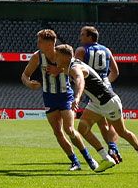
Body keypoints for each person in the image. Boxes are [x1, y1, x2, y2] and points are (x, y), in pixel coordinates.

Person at [55, 43, 138, 172]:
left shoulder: (75, 67)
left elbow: (80, 80)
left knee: (122, 132)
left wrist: (77, 97)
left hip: (108, 102)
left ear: (65, 57)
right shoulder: (70, 65)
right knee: (82, 128)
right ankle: (106, 158)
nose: (55, 58)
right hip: (96, 103)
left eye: (57, 55)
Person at [20, 29, 98, 172]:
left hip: (65, 96)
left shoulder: (63, 54)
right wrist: (29, 83)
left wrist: (61, 72)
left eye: (40, 42)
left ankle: (89, 159)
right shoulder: (37, 56)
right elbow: (25, 75)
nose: (37, 44)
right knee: (57, 132)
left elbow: (77, 71)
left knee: (69, 129)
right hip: (49, 97)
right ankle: (75, 162)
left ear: (50, 44)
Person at [75, 26, 121, 163]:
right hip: (106, 89)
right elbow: (115, 72)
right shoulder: (106, 50)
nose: (80, 37)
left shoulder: (81, 50)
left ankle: (108, 152)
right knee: (107, 123)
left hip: (92, 90)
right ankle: (113, 149)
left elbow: (77, 72)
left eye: (82, 34)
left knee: (93, 125)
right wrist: (105, 83)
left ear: (90, 37)